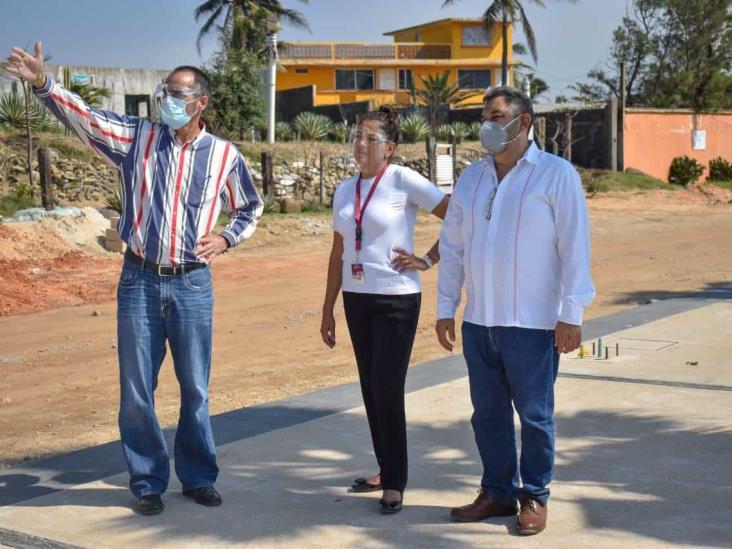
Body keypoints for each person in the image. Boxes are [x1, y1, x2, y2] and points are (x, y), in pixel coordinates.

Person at [5, 42, 262, 516]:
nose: (166, 97)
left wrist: (227, 238)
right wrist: (43, 83)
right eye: (164, 89)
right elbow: (84, 116)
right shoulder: (137, 138)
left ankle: (198, 477)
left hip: (192, 284)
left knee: (196, 387)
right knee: (137, 388)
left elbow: (250, 205)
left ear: (200, 103)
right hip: (139, 281)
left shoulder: (224, 155)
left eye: (177, 93)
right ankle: (146, 481)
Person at [435, 87, 595, 535]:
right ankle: (497, 491)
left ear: (523, 123)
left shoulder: (555, 175)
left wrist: (572, 313)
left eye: (497, 115)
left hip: (533, 324)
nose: (488, 124)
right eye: (485, 116)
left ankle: (534, 496)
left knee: (534, 415)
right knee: (486, 414)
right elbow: (453, 248)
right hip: (480, 321)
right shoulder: (472, 178)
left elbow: (574, 247)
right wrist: (447, 306)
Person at [320, 106, 449, 514]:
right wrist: (328, 309)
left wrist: (427, 259)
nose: (359, 144)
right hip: (357, 297)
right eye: (357, 136)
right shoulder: (344, 189)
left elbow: (458, 216)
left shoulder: (402, 179)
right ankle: (384, 466)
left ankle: (395, 482)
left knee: (387, 389)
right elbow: (338, 250)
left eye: (369, 138)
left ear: (389, 148)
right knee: (369, 388)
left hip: (397, 297)